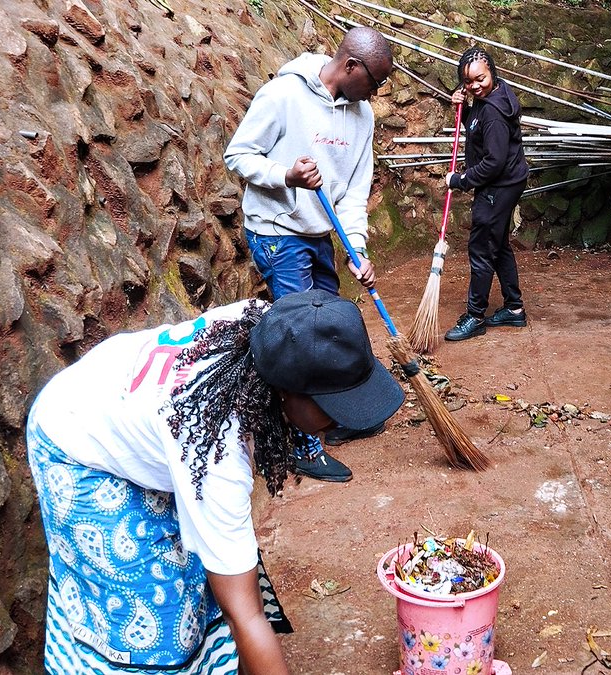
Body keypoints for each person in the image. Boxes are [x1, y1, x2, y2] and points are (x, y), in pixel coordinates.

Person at [27, 290, 405, 674]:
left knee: (198, 571)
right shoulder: (215, 448)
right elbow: (246, 615)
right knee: (155, 618)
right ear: (286, 392)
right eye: (332, 408)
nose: (340, 423)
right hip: (74, 440)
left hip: (126, 404)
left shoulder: (276, 329)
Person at [224, 26, 394, 481]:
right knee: (301, 338)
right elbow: (238, 155)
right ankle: (301, 443)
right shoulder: (283, 94)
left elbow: (355, 191)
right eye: (374, 83)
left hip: (320, 233)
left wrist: (356, 248)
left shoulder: (363, 117)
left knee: (332, 325)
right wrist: (286, 176)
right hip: (278, 232)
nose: (375, 94)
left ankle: (335, 412)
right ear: (350, 66)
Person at [442, 46, 531, 342]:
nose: (475, 86)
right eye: (468, 82)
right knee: (499, 244)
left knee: (482, 249)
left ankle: (475, 316)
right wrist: (464, 108)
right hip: (507, 182)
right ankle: (514, 309)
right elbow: (476, 126)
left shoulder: (493, 111)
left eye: (480, 79)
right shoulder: (489, 97)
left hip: (498, 186)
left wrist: (460, 179)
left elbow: (493, 162)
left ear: (491, 71)